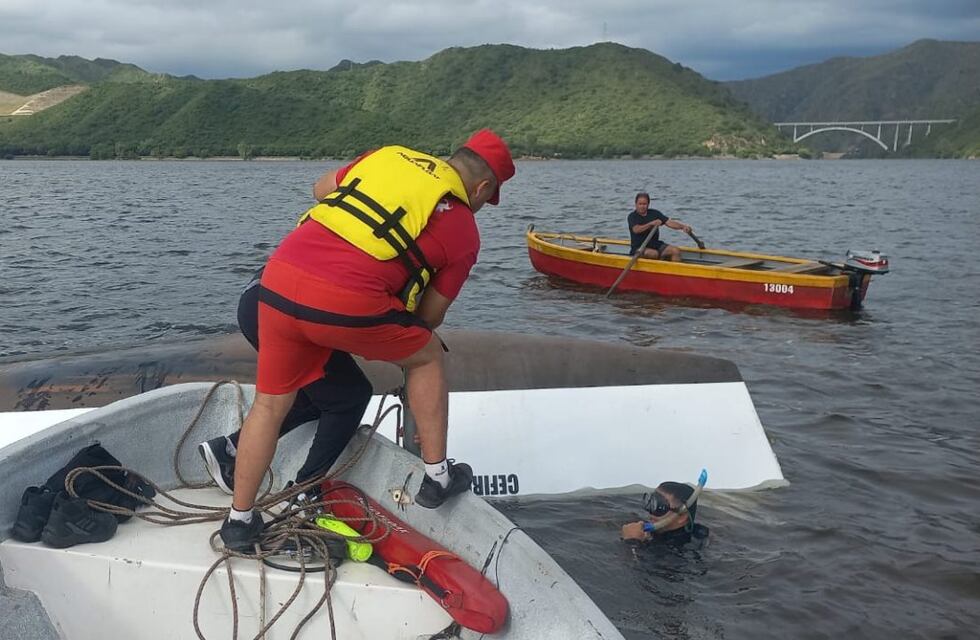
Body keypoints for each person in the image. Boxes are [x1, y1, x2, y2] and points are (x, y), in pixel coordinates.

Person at [216, 130, 516, 552]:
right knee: (427, 356)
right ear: (483, 187)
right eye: (488, 198)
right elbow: (428, 318)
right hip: (343, 299)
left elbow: (321, 189)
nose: (483, 206)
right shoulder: (464, 229)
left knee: (270, 404)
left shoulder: (389, 157)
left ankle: (239, 522)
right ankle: (437, 477)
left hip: (278, 279)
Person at [197, 268, 372, 496]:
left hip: (259, 297)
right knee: (350, 397)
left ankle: (229, 450)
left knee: (313, 395)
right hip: (288, 308)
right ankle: (305, 492)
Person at [620, 481, 709, 545]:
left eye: (660, 507)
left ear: (681, 518)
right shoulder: (655, 532)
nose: (651, 513)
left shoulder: (678, 551)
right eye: (651, 503)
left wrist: (632, 543)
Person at [627, 192, 693, 261]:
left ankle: (673, 270)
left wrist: (683, 227)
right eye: (640, 204)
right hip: (639, 248)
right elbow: (636, 230)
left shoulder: (654, 213)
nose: (642, 206)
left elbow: (669, 222)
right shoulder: (632, 216)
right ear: (636, 204)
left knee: (675, 251)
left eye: (644, 204)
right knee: (653, 254)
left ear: (648, 204)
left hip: (655, 244)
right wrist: (651, 224)